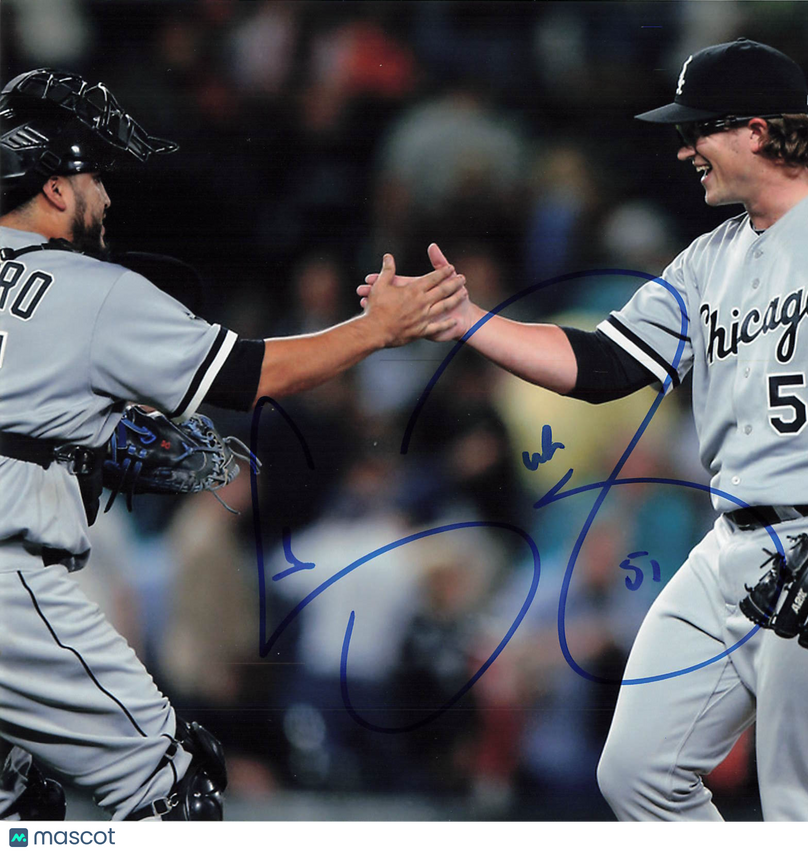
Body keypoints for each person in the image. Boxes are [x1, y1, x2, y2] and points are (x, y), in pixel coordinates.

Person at [361, 38, 808, 823]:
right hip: (729, 544)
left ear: (758, 130)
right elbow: (604, 364)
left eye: (699, 128)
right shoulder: (709, 259)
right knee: (638, 772)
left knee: (801, 801)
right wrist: (466, 320)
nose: (683, 148)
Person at [0, 68, 465, 822]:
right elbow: (252, 374)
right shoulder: (90, 288)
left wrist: (74, 448)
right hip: (10, 590)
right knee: (172, 790)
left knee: (17, 817)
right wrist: (378, 329)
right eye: (95, 178)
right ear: (55, 187)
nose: (106, 197)